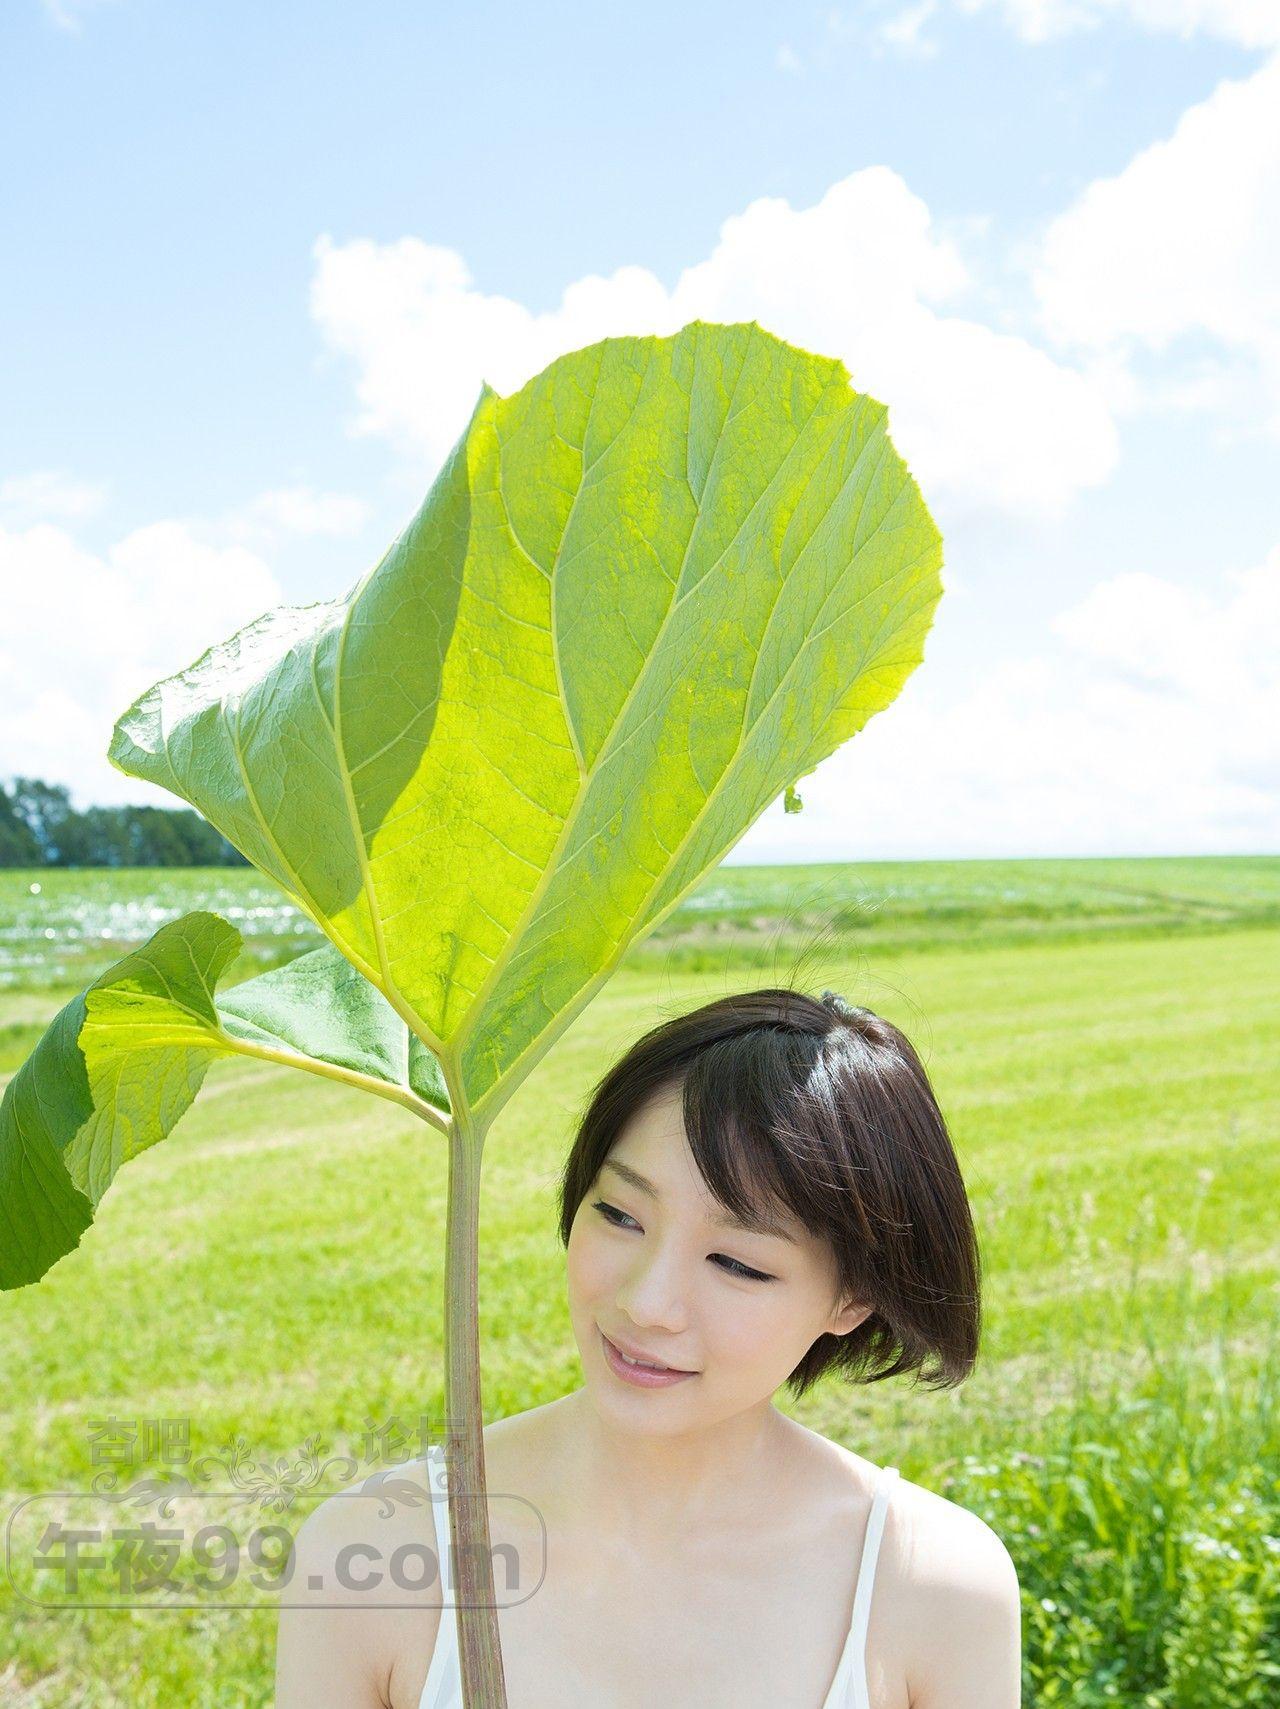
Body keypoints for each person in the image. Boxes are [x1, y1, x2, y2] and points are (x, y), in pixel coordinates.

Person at [276, 987, 1022, 1707]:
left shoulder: (929, 1588)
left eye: (738, 1263)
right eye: (619, 1214)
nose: (646, 1303)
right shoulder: (374, 1558)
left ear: (853, 1298)